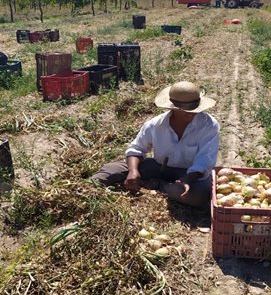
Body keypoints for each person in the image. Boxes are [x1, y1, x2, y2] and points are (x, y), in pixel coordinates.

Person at [92, 81, 220, 207]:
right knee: (109, 171)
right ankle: (90, 186)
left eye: (194, 108)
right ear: (173, 108)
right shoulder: (155, 125)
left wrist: (189, 179)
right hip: (159, 167)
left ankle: (159, 186)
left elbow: (205, 160)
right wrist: (133, 171)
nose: (192, 112)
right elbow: (136, 148)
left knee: (199, 195)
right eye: (185, 109)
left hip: (189, 174)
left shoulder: (208, 125)